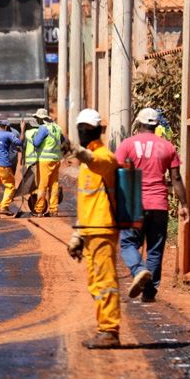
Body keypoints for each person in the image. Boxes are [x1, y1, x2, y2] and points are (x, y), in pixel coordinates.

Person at [115, 107, 190, 302]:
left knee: (128, 243)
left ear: (138, 123)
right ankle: (149, 292)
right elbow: (176, 178)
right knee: (155, 249)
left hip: (133, 204)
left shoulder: (127, 145)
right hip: (158, 205)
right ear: (156, 125)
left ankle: (139, 270)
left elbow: (116, 173)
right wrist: (184, 204)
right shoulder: (168, 147)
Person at [66, 108, 122, 349]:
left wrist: (78, 152)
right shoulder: (85, 166)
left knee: (105, 281)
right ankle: (104, 328)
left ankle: (109, 330)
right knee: (95, 283)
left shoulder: (104, 157)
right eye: (80, 129)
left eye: (86, 129)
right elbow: (86, 202)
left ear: (98, 130)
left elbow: (97, 162)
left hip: (103, 228)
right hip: (90, 229)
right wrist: (78, 234)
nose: (83, 133)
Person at [28, 107, 68, 217]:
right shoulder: (57, 128)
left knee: (42, 184)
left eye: (37, 118)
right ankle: (53, 209)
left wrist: (33, 138)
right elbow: (63, 142)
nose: (37, 120)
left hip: (45, 160)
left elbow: (36, 143)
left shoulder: (43, 128)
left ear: (41, 119)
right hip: (56, 159)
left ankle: (39, 209)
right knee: (54, 184)